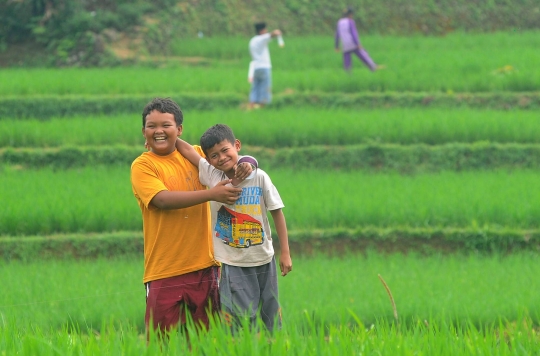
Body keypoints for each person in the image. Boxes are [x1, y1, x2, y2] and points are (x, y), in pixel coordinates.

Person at [130, 97, 254, 337]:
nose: (158, 131)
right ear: (143, 131)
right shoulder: (143, 165)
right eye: (151, 126)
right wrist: (211, 194)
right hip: (164, 271)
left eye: (166, 125)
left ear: (180, 129)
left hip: (206, 267)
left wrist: (249, 163)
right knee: (162, 345)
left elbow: (231, 160)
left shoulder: (197, 156)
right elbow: (162, 200)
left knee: (208, 343)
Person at [175, 124, 293, 332]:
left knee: (270, 316)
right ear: (209, 159)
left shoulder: (259, 176)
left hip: (265, 259)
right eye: (213, 155)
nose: (220, 158)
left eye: (225, 150)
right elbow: (189, 152)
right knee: (240, 321)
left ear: (237, 145)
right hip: (233, 263)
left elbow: (277, 212)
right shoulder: (212, 175)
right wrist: (168, 136)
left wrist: (285, 253)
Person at [335, 7, 384, 72]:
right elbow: (353, 33)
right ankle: (373, 67)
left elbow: (337, 35)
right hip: (352, 43)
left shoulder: (339, 22)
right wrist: (357, 44)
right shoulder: (350, 21)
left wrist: (337, 46)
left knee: (347, 61)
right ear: (350, 14)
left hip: (345, 45)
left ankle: (347, 74)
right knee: (363, 55)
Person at [248, 22, 282, 109]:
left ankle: (252, 104)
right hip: (264, 67)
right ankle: (264, 106)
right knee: (265, 87)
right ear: (262, 30)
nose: (266, 31)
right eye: (265, 30)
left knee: (256, 86)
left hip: (255, 67)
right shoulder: (261, 39)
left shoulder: (252, 40)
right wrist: (276, 32)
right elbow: (270, 35)